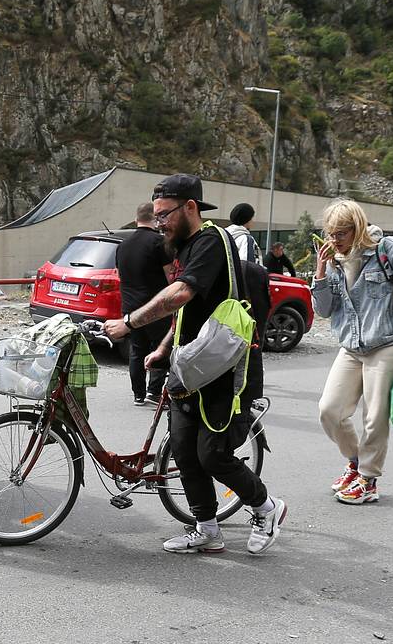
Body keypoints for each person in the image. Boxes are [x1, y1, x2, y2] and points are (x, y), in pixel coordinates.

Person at [103, 174, 286, 555]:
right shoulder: (184, 246)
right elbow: (189, 311)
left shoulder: (210, 241)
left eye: (165, 215)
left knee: (213, 455)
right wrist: (165, 348)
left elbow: (181, 293)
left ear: (190, 207)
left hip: (222, 368)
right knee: (185, 452)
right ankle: (207, 528)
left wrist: (130, 322)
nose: (160, 224)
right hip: (191, 364)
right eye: (155, 217)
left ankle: (266, 508)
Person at [312, 199, 393, 505]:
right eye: (331, 233)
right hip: (351, 345)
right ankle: (354, 462)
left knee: (375, 416)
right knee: (330, 410)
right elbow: (323, 310)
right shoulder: (334, 259)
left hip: (388, 342)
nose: (334, 239)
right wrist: (321, 272)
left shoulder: (388, 250)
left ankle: (368, 478)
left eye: (341, 233)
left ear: (358, 228)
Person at [115, 201, 172, 405]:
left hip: (130, 308)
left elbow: (120, 276)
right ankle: (154, 392)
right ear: (155, 218)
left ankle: (138, 394)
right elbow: (170, 277)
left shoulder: (122, 246)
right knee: (160, 347)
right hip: (155, 308)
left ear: (137, 217)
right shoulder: (159, 243)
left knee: (136, 351)